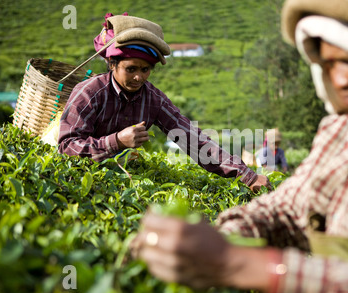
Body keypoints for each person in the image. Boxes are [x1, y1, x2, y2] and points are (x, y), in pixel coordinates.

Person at [130, 0, 348, 293]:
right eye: (329, 63)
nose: (340, 80)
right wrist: (222, 238)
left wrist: (247, 266)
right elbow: (288, 208)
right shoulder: (343, 130)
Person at [58, 13, 271, 193]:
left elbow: (194, 140)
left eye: (145, 70)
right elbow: (66, 147)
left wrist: (247, 176)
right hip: (76, 182)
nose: (139, 78)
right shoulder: (90, 92)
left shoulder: (153, 99)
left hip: (121, 183)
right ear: (112, 64)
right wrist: (117, 141)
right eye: (131, 69)